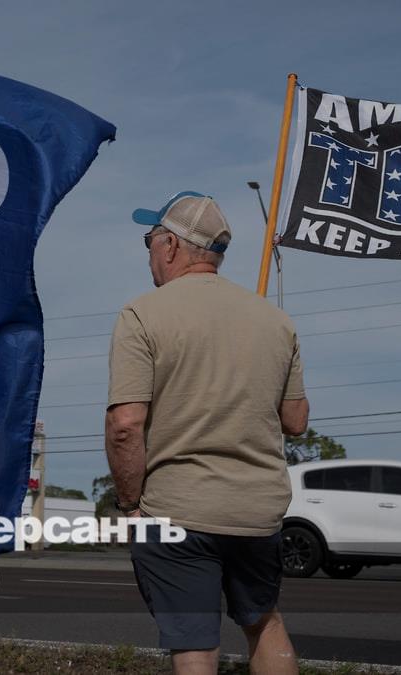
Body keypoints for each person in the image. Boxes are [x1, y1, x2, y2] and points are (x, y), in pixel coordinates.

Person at [104, 191, 309, 675]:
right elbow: (296, 421)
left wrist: (131, 506)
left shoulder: (142, 314)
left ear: (171, 245)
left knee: (194, 643)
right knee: (264, 622)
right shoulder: (276, 321)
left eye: (150, 241)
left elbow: (125, 426)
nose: (150, 252)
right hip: (257, 513)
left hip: (179, 509)